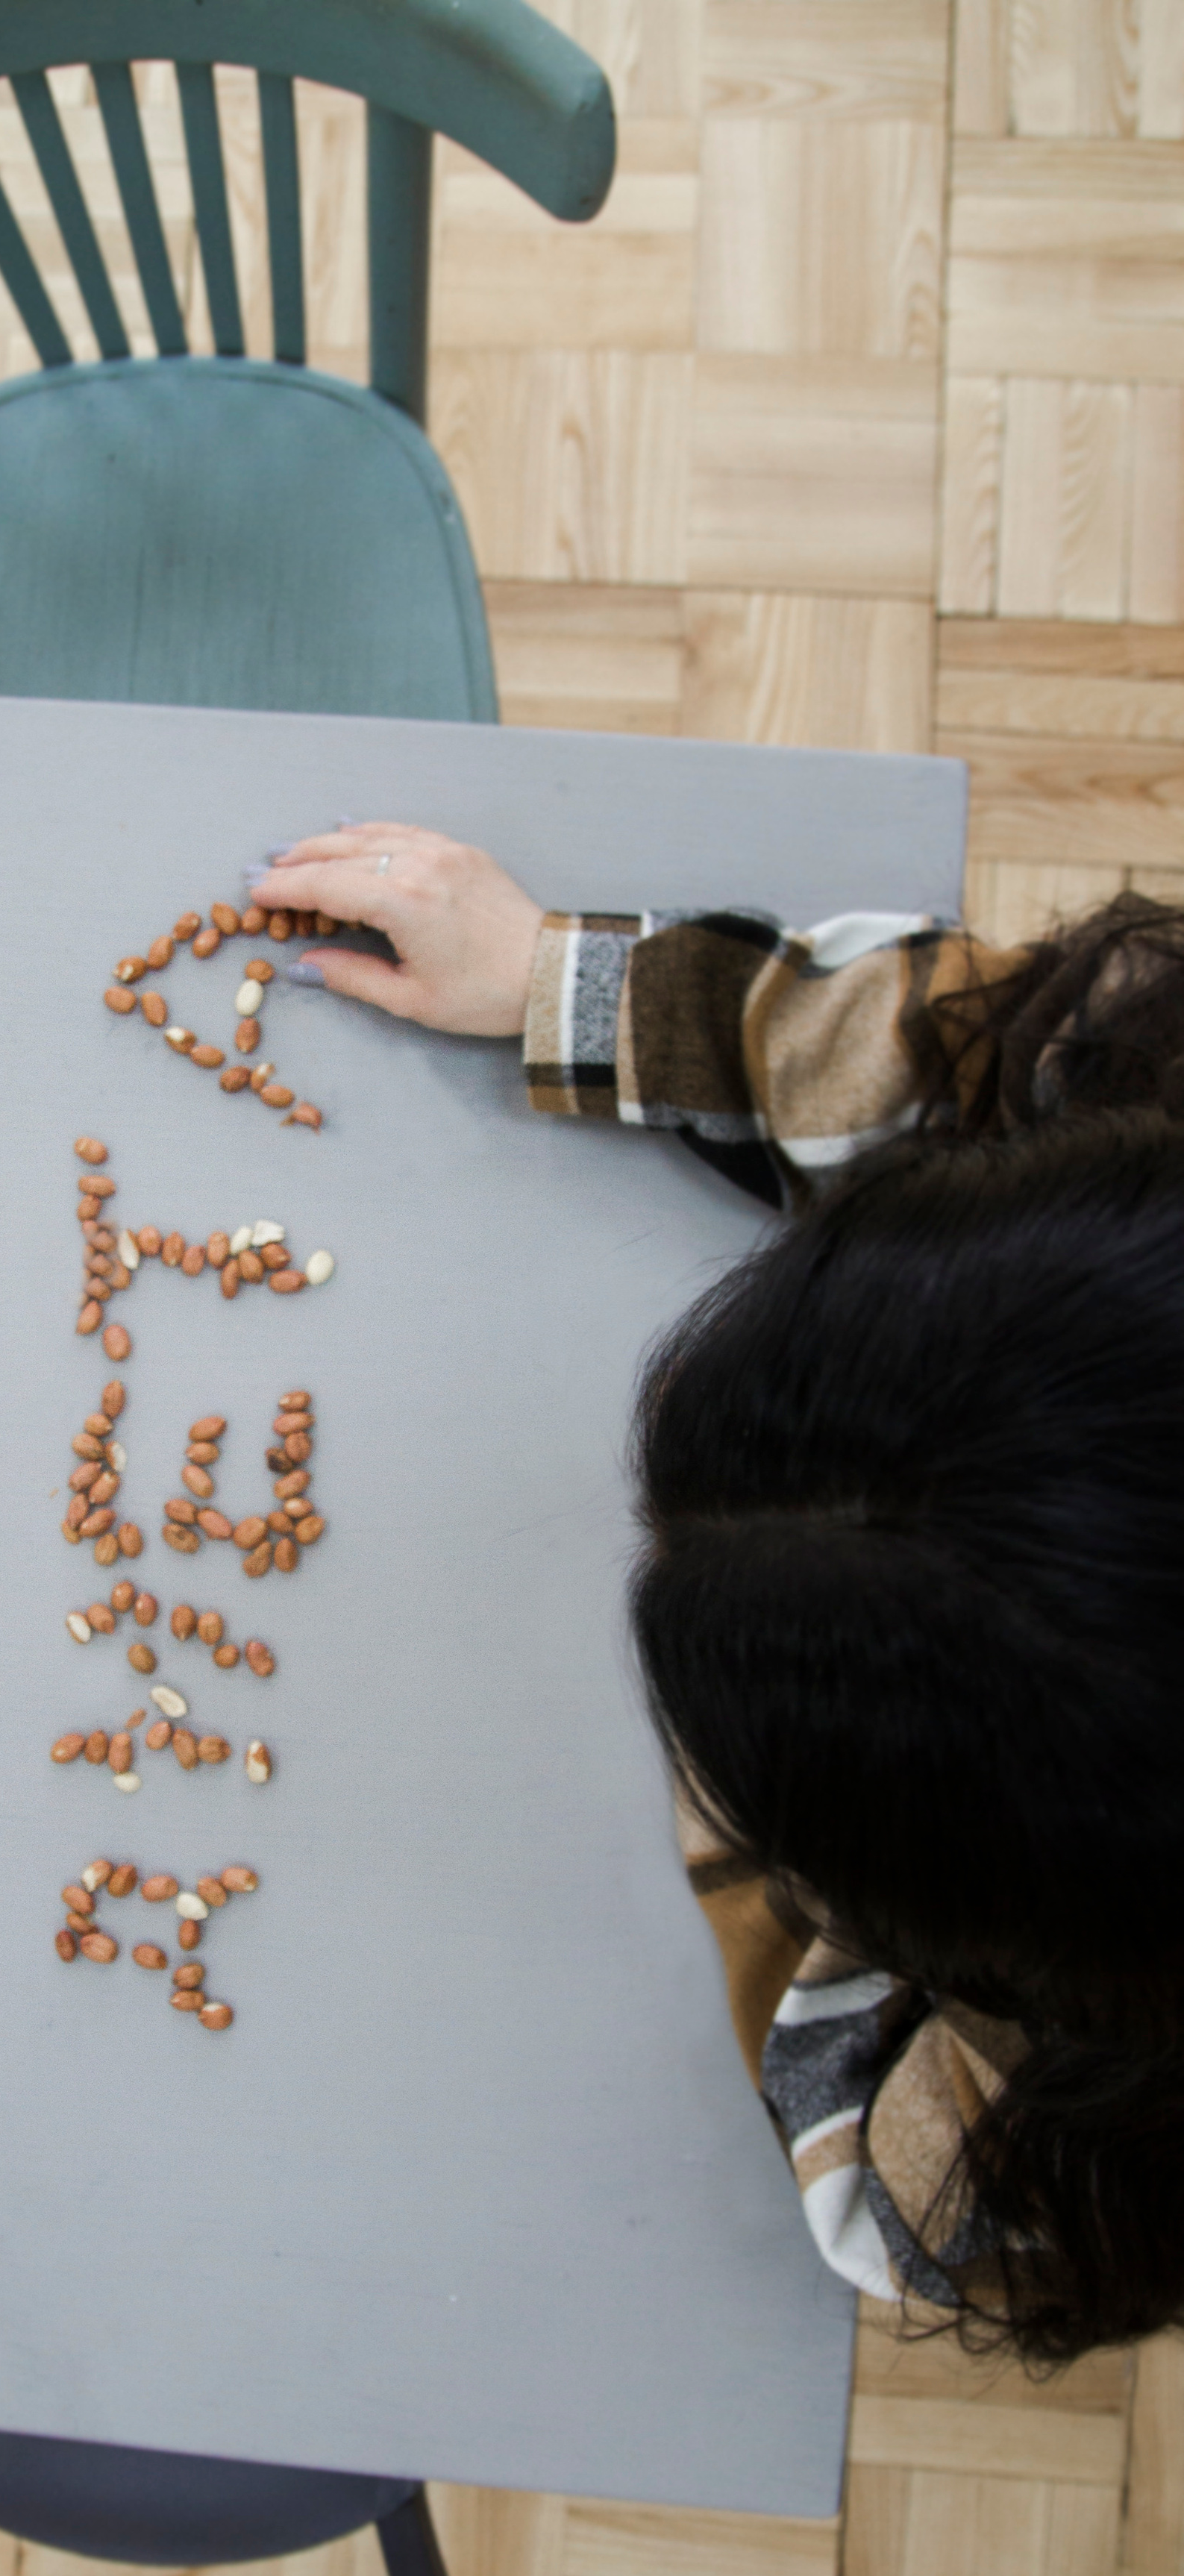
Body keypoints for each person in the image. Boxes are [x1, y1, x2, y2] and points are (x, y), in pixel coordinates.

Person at [251, 824, 1184, 2364]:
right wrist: (590, 990)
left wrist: (759, 1812)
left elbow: (917, 2211)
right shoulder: (1144, 1088)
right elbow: (988, 1052)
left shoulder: (1103, 2116)